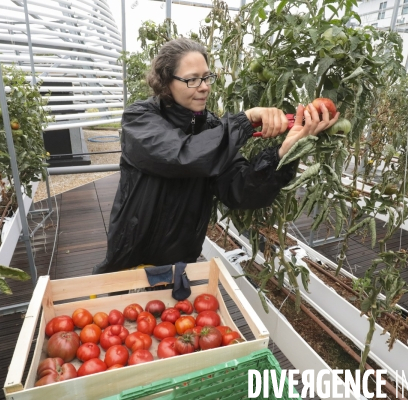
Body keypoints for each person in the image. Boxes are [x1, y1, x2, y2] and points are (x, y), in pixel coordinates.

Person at [92, 38, 338, 275]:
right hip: (130, 256)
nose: (204, 86)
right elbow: (182, 155)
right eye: (192, 80)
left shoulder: (212, 130)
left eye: (207, 77)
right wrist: (243, 121)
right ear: (166, 82)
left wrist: (285, 151)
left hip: (180, 263)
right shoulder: (140, 119)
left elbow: (241, 192)